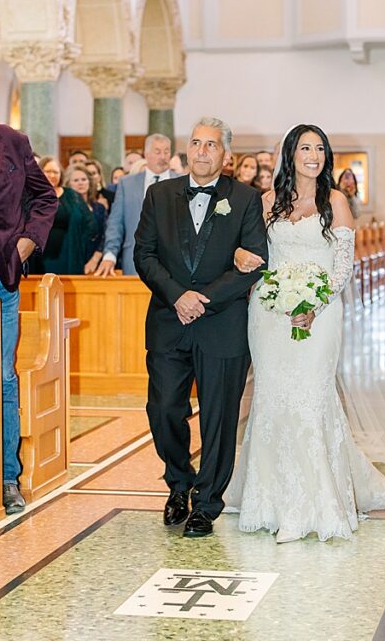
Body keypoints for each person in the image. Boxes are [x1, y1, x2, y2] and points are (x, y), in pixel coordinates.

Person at [226, 124, 385, 542]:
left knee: (309, 398)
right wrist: (243, 259)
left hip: (319, 313)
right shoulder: (267, 201)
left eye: (320, 148)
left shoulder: (335, 201)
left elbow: (343, 267)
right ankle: (269, 500)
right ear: (290, 154)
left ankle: (312, 504)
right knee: (272, 401)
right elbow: (251, 252)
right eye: (305, 147)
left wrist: (313, 304)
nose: (313, 155)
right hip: (269, 316)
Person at [133, 118, 268, 537]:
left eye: (212, 145)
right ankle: (178, 482)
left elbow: (254, 260)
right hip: (169, 321)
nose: (203, 151)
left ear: (225, 154)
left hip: (221, 324)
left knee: (218, 417)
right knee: (163, 408)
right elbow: (144, 255)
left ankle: (207, 501)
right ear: (187, 149)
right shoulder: (159, 194)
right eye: (196, 143)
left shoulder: (246, 199)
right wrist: (178, 296)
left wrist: (202, 299)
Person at [0, 122, 58, 515]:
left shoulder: (9, 141)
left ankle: (7, 477)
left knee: (2, 372)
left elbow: (44, 198)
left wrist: (25, 244)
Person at [95, 134, 175, 278]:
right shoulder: (127, 184)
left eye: (167, 151)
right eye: (157, 152)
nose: (163, 156)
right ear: (146, 154)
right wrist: (110, 255)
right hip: (135, 262)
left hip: (174, 265)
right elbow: (115, 223)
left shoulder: (183, 181)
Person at [33, 163, 101, 275]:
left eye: (56, 172)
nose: (52, 175)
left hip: (69, 254)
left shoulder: (72, 195)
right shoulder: (31, 195)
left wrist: (78, 244)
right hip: (39, 256)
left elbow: (90, 226)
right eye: (48, 171)